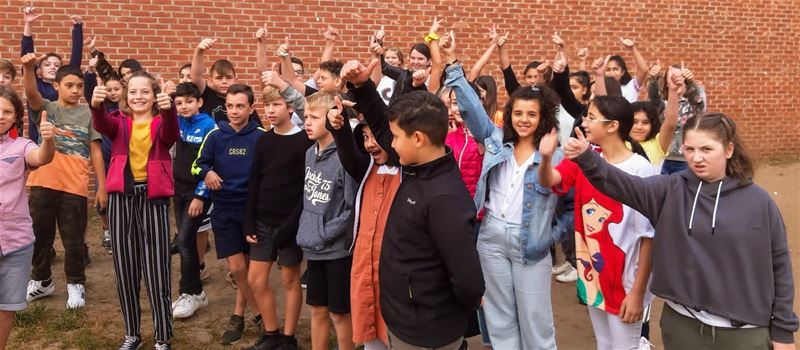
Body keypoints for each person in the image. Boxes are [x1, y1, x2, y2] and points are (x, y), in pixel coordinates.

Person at [562, 112, 798, 350]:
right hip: (682, 327)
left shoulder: (758, 202)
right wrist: (586, 158)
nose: (696, 158)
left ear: (728, 150)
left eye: (707, 149)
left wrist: (784, 331)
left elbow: (779, 264)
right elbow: (622, 185)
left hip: (743, 334)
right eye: (689, 149)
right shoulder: (669, 190)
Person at [446, 59, 561, 348]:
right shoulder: (497, 139)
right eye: (518, 113)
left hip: (529, 243)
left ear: (543, 117)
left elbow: (556, 189)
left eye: (531, 114)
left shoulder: (553, 153)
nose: (523, 119)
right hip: (491, 237)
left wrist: (552, 235)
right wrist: (454, 70)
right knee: (499, 320)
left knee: (536, 322)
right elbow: (472, 111)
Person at [538, 95, 656, 350]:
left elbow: (648, 238)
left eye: (592, 117)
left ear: (612, 126)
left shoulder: (640, 169)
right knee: (604, 343)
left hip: (625, 280)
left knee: (626, 346)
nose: (585, 122)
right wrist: (546, 158)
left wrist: (637, 293)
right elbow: (551, 180)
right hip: (593, 273)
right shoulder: (584, 158)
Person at [374, 81, 484, 347]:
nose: (391, 143)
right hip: (406, 318)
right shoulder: (418, 167)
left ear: (418, 139)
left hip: (427, 329)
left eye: (396, 137)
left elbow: (468, 279)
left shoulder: (444, 199)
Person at [90, 70, 178, 350]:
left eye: (145, 92)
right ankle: (132, 333)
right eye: (133, 92)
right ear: (126, 97)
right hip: (121, 199)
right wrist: (95, 104)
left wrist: (169, 110)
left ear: (154, 96)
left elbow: (171, 134)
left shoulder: (160, 122)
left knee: (156, 269)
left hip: (153, 198)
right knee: (125, 268)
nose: (138, 97)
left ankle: (162, 336)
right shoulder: (118, 122)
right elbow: (101, 123)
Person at [21, 53, 104, 310]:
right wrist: (27, 68)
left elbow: (96, 151)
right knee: (38, 236)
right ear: (56, 86)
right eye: (69, 85)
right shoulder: (47, 108)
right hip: (42, 183)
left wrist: (101, 186)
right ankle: (42, 280)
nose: (76, 90)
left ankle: (75, 283)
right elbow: (31, 93)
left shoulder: (89, 115)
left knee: (73, 240)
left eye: (79, 86)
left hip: (74, 188)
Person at [335, 59, 405, 350]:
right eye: (364, 137)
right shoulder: (367, 169)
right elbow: (350, 158)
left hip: (394, 272)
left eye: (375, 135)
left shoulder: (407, 171)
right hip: (365, 267)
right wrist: (339, 130)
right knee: (370, 335)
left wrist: (365, 87)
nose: (370, 144)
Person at [192, 84, 267, 345]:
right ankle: (261, 317)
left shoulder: (261, 136)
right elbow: (197, 164)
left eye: (240, 106)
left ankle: (237, 315)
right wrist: (206, 173)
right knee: (236, 269)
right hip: (223, 211)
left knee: (246, 269)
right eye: (230, 106)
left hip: (251, 212)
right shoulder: (215, 135)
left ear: (251, 108)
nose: (234, 111)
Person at [241, 70, 310, 350]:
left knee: (289, 279)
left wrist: (290, 227)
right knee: (256, 280)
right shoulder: (263, 140)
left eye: (276, 104)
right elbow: (254, 181)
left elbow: (305, 189)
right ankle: (271, 333)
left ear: (290, 107)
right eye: (266, 105)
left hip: (290, 225)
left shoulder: (303, 141)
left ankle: (289, 338)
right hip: (262, 222)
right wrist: (249, 221)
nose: (270, 110)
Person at [291, 91, 357, 350]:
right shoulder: (309, 154)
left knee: (339, 314)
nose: (307, 121)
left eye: (314, 117)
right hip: (314, 250)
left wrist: (324, 233)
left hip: (337, 252)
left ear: (332, 119)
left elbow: (351, 208)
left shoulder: (344, 157)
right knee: (317, 310)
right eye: (305, 116)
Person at [0, 86, 55, 350]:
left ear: (15, 117)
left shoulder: (22, 146)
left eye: (7, 111)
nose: (1, 116)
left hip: (15, 242)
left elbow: (41, 157)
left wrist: (48, 140)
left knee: (6, 309)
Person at [169, 82, 216, 320]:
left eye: (189, 101)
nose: (183, 106)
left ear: (199, 102)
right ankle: (195, 293)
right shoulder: (176, 121)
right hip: (178, 190)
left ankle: (190, 292)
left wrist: (200, 195)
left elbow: (211, 163)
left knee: (186, 241)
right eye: (178, 102)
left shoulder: (208, 125)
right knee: (184, 240)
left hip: (197, 193)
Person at [20, 5, 84, 142]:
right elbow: (27, 58)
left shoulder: (64, 86)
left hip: (65, 138)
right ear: (39, 70)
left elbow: (75, 62)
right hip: (39, 139)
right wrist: (28, 24)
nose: (52, 67)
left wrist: (78, 29)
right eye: (47, 64)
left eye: (57, 65)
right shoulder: (36, 85)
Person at [191, 38, 258, 123]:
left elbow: (258, 130)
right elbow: (196, 76)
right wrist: (199, 51)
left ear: (235, 80)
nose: (224, 81)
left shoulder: (243, 100)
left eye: (228, 77)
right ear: (210, 80)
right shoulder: (207, 94)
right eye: (219, 78)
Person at [605, 38, 649, 103]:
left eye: (615, 69)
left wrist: (632, 48)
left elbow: (644, 70)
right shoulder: (601, 90)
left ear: (622, 72)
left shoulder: (630, 87)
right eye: (608, 70)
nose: (611, 73)